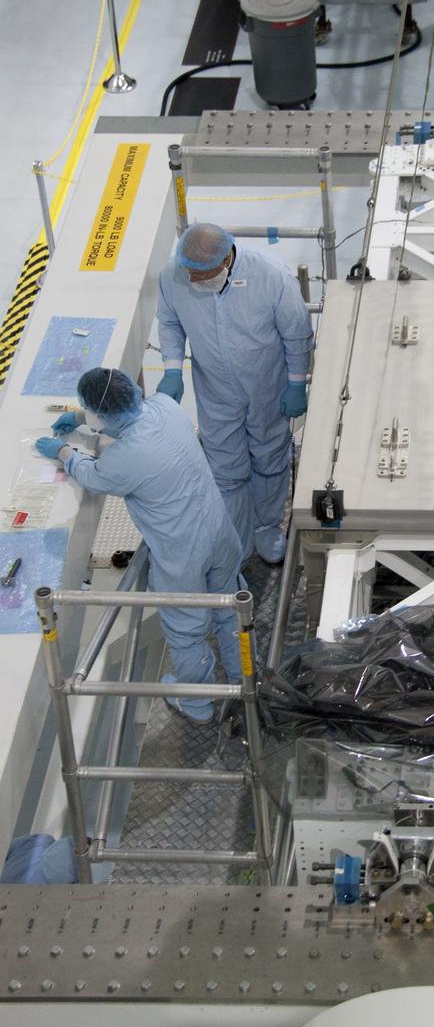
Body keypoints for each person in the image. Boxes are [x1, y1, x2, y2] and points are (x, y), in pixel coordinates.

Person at [35, 367, 243, 725]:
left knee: (186, 629)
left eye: (89, 409)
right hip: (219, 531)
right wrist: (84, 419)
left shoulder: (124, 459)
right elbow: (124, 426)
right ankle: (244, 677)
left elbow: (91, 474)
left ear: (100, 413)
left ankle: (198, 705)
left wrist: (65, 452)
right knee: (231, 611)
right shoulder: (166, 406)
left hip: (183, 554)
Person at [156, 223, 314, 565]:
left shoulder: (270, 276)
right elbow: (169, 321)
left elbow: (297, 334)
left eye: (203, 274)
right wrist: (171, 368)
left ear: (227, 258)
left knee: (270, 459)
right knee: (225, 467)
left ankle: (268, 528)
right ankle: (236, 540)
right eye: (190, 274)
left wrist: (297, 383)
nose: (195, 281)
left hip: (268, 387)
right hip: (215, 389)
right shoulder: (174, 275)